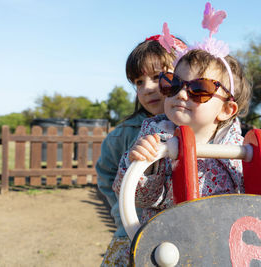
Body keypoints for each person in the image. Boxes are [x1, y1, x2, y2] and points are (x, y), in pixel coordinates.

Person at [113, 2, 261, 231]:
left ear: (226, 110)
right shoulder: (157, 137)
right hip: (171, 244)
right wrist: (144, 166)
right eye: (174, 84)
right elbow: (140, 198)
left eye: (199, 89)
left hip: (227, 245)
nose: (182, 94)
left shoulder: (240, 149)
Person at [96, 23, 186, 267]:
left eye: (157, 77)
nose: (146, 88)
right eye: (138, 81)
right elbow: (106, 175)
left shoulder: (198, 127)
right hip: (136, 233)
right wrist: (123, 214)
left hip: (189, 233)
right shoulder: (124, 135)